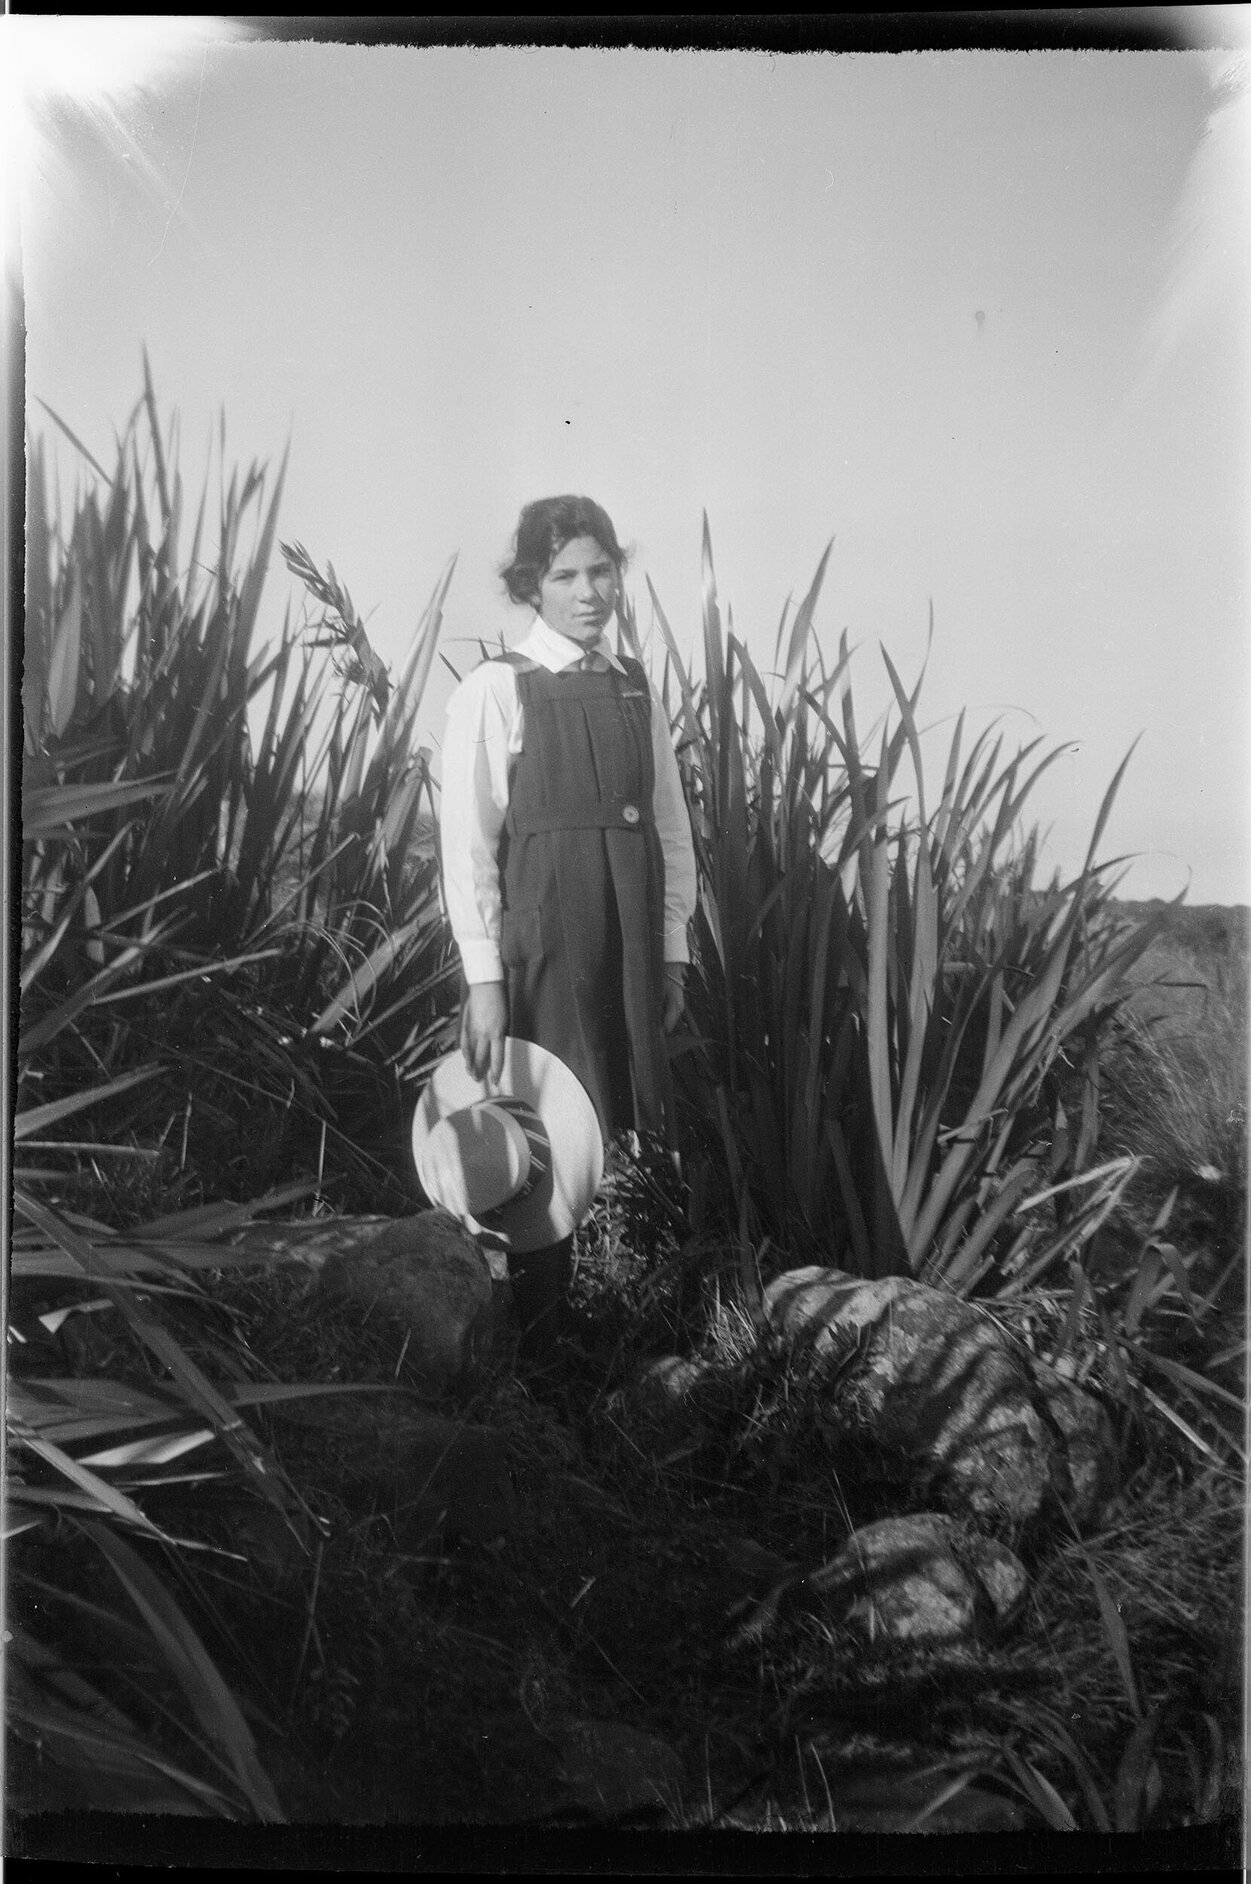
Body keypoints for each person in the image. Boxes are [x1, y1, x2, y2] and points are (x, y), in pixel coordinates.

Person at [439, 495, 698, 1366]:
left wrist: (670, 949)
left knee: (612, 1118)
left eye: (600, 571)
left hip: (625, 930)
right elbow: (468, 840)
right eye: (564, 576)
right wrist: (483, 976)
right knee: (544, 1116)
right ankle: (537, 1335)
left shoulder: (633, 687)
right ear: (530, 587)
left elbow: (669, 828)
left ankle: (595, 1318)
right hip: (548, 935)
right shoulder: (498, 688)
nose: (588, 592)